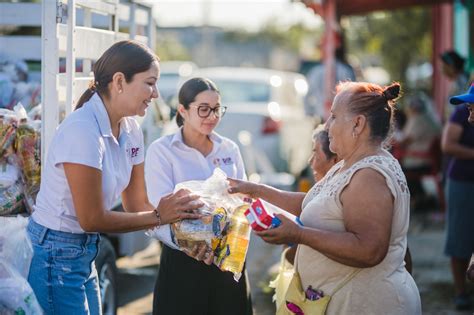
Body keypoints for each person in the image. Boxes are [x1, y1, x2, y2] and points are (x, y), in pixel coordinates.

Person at [27, 40, 203, 314]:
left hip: (86, 251)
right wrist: (161, 216)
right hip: (56, 253)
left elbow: (136, 204)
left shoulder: (131, 129)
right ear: (119, 81)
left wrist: (189, 231)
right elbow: (92, 218)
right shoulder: (83, 130)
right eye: (150, 83)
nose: (156, 93)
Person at [230, 81, 421, 314]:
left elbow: (369, 250)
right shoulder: (350, 165)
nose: (327, 125)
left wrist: (298, 234)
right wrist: (257, 190)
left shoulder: (369, 176)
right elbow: (312, 203)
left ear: (358, 124)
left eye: (333, 116)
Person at [144, 77, 253, 315]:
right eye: (204, 109)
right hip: (183, 261)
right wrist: (190, 245)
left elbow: (241, 203)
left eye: (217, 109)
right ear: (182, 110)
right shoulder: (162, 151)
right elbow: (160, 211)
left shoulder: (229, 149)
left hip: (227, 259)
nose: (212, 116)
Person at [442, 82, 474, 310]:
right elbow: (447, 145)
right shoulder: (460, 113)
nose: (470, 117)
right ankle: (460, 292)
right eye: (470, 109)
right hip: (462, 182)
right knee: (460, 237)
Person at [397, 95, 441, 209]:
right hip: (429, 160)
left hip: (422, 161)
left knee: (396, 170)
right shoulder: (428, 118)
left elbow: (405, 141)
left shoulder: (418, 119)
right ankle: (421, 198)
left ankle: (417, 199)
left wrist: (394, 139)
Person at [304, 31, 356, 120]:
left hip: (325, 118)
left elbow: (307, 98)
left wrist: (310, 112)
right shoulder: (346, 70)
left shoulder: (316, 71)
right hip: (340, 120)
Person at [440, 50, 470, 120]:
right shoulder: (457, 81)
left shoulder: (462, 81)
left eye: (443, 66)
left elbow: (463, 108)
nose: (441, 69)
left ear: (451, 66)